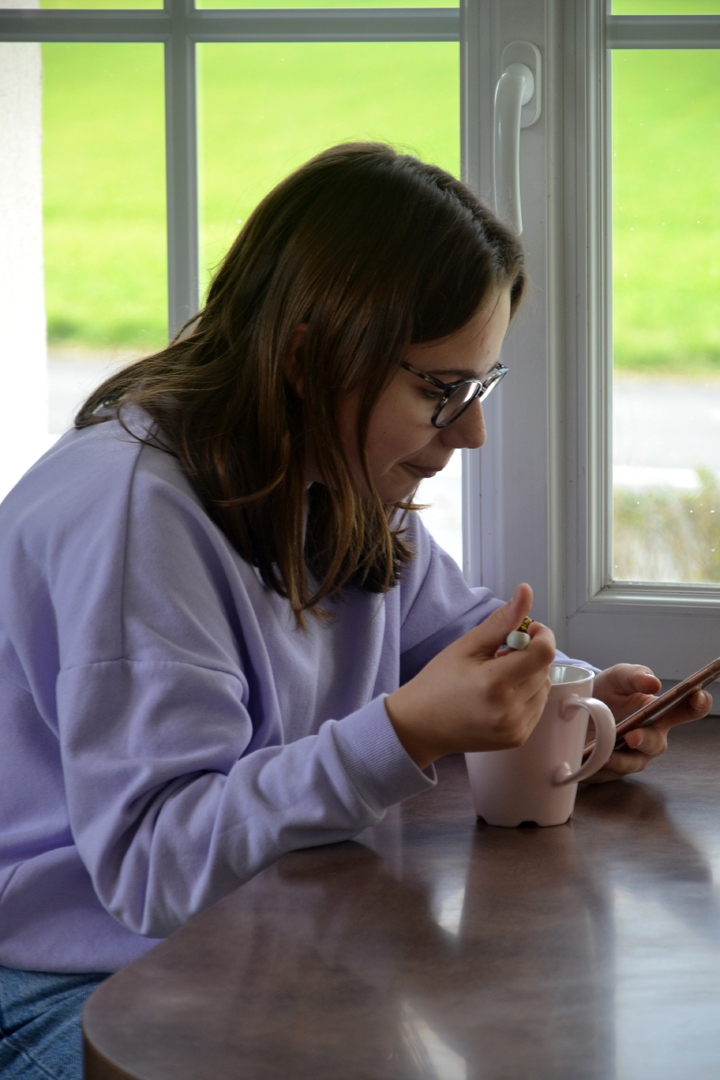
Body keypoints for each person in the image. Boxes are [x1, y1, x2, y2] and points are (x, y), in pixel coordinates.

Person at [0, 142, 710, 1079]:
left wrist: (565, 716)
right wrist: (406, 732)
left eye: (480, 386)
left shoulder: (344, 483)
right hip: (76, 988)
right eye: (441, 391)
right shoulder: (136, 516)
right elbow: (153, 869)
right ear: (308, 357)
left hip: (260, 937)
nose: (473, 431)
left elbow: (457, 648)